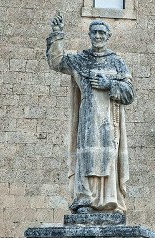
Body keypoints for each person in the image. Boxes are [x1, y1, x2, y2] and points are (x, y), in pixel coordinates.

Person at [46, 12, 134, 214]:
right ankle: (85, 199)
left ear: (108, 36)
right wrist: (58, 35)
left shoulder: (116, 62)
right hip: (87, 119)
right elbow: (57, 62)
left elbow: (129, 93)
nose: (98, 36)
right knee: (86, 157)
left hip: (109, 121)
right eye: (94, 32)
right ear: (89, 34)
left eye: (102, 32)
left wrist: (109, 84)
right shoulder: (81, 60)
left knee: (108, 158)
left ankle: (108, 201)